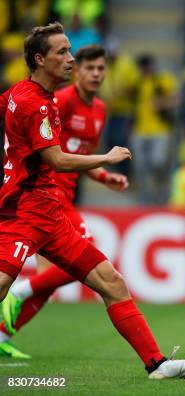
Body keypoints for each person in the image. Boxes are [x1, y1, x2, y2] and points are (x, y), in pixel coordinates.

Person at [0, 22, 185, 379]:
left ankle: (157, 364)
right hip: (24, 212)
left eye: (71, 52)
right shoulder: (41, 104)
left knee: (112, 281)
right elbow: (57, 159)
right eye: (63, 52)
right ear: (39, 59)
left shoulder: (20, 93)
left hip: (50, 214)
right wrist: (105, 158)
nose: (71, 59)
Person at [0, 44, 120, 358]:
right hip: (47, 196)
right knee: (85, 265)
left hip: (62, 199)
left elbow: (80, 156)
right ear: (76, 71)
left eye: (101, 68)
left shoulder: (100, 111)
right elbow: (53, 156)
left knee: (50, 281)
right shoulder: (59, 101)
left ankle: (1, 336)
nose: (96, 74)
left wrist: (106, 177)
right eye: (89, 68)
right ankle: (20, 291)